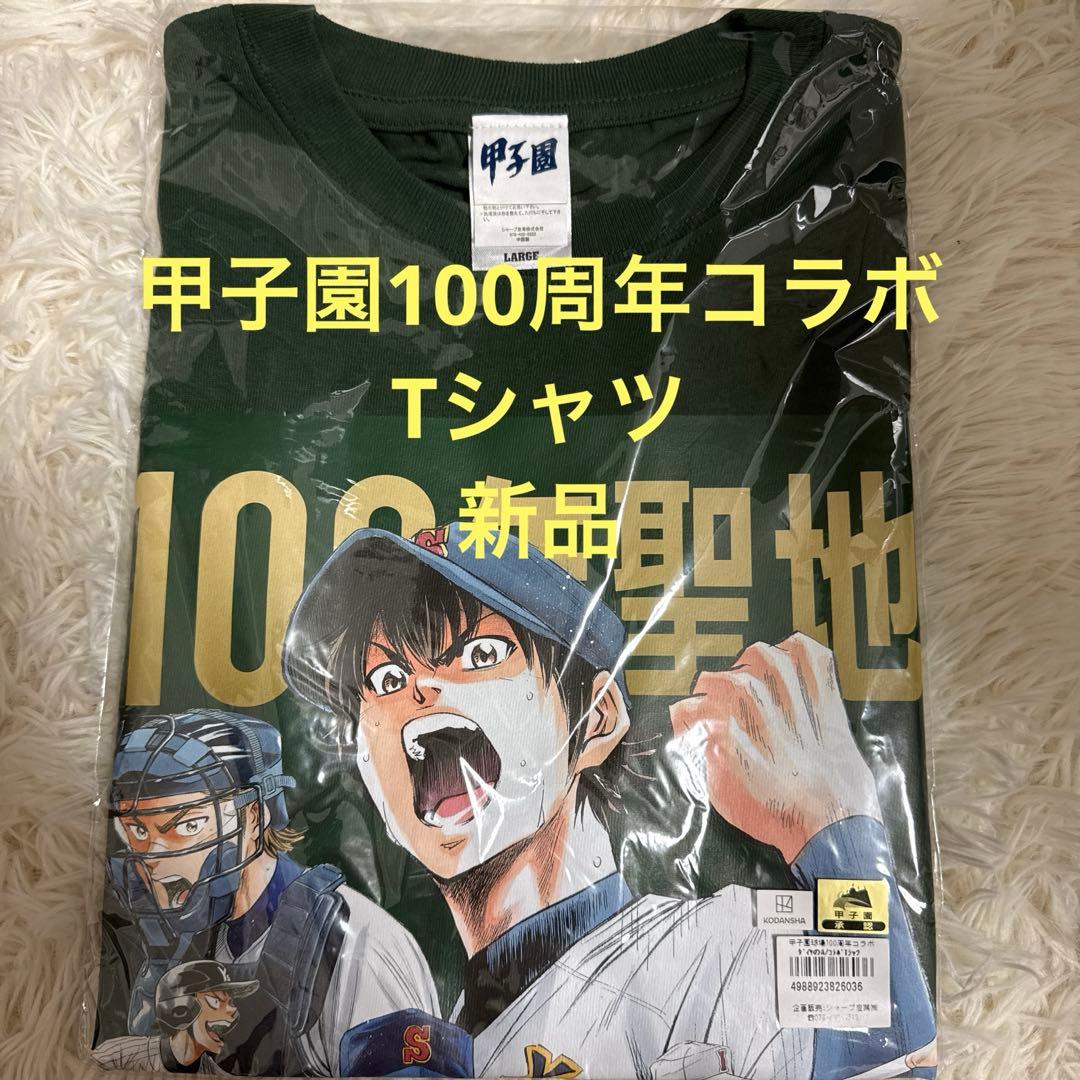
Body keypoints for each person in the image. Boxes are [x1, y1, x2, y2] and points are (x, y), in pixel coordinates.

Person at [282, 523, 937, 1079]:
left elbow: (896, 1061)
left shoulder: (721, 947)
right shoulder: (446, 1036)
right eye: (384, 678)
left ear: (595, 719)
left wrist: (835, 833)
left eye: (481, 652)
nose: (418, 692)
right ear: (364, 764)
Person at [104, 710, 437, 1075]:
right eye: (139, 831)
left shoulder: (355, 946)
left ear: (252, 817)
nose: (153, 857)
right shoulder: (204, 935)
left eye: (187, 825)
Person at [93, 959, 258, 1073]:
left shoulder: (215, 1074)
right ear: (181, 1009)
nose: (231, 1010)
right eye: (215, 1001)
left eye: (230, 1002)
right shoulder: (119, 1055)